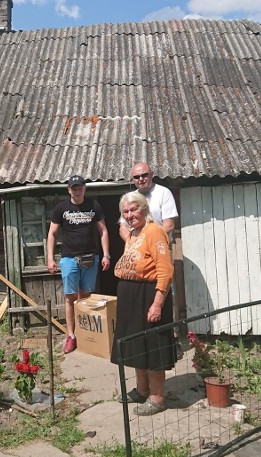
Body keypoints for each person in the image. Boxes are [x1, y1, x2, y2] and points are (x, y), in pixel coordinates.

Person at [111, 191, 175, 416]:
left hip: (149, 295)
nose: (129, 215)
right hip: (131, 296)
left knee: (153, 346)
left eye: (133, 209)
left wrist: (157, 304)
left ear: (145, 209)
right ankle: (141, 389)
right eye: (125, 212)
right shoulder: (134, 234)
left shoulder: (154, 231)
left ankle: (157, 397)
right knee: (138, 345)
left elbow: (166, 270)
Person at [47, 175, 111, 354]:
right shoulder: (61, 208)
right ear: (69, 190)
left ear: (85, 189)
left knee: (85, 296)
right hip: (69, 259)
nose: (77, 191)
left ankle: (85, 334)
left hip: (91, 258)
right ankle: (71, 336)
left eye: (80, 188)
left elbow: (103, 231)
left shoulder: (94, 206)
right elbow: (52, 234)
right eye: (74, 188)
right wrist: (50, 258)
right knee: (70, 298)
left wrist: (106, 255)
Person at [118, 162, 177, 241]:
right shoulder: (130, 198)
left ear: (152, 174)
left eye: (144, 175)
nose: (141, 179)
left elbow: (169, 225)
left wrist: (148, 243)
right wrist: (132, 244)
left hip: (158, 244)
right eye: (136, 177)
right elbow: (123, 228)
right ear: (132, 179)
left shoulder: (164, 193)